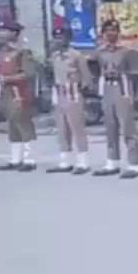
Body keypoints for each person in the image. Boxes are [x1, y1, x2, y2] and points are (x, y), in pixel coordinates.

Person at [91, 19, 138, 179]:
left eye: (113, 30)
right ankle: (112, 161)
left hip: (123, 88)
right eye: (107, 30)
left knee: (127, 127)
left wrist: (123, 79)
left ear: (118, 33)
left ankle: (134, 164)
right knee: (110, 126)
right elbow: (95, 69)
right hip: (107, 88)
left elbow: (136, 73)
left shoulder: (127, 51)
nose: (110, 33)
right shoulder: (100, 52)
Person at [45, 25, 92, 175]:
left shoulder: (77, 56)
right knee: (62, 128)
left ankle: (83, 162)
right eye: (56, 37)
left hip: (73, 93)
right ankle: (65, 161)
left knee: (77, 128)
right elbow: (52, 75)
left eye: (62, 37)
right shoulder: (54, 56)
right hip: (59, 93)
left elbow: (87, 78)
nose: (59, 40)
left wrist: (79, 89)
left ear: (69, 38)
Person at [0, 21, 39, 171]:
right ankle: (15, 159)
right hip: (6, 92)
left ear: (14, 33)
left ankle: (29, 160)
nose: (0, 34)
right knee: (12, 125)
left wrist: (8, 79)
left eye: (3, 30)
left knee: (24, 124)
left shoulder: (22, 52)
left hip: (20, 93)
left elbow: (28, 73)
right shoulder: (2, 52)